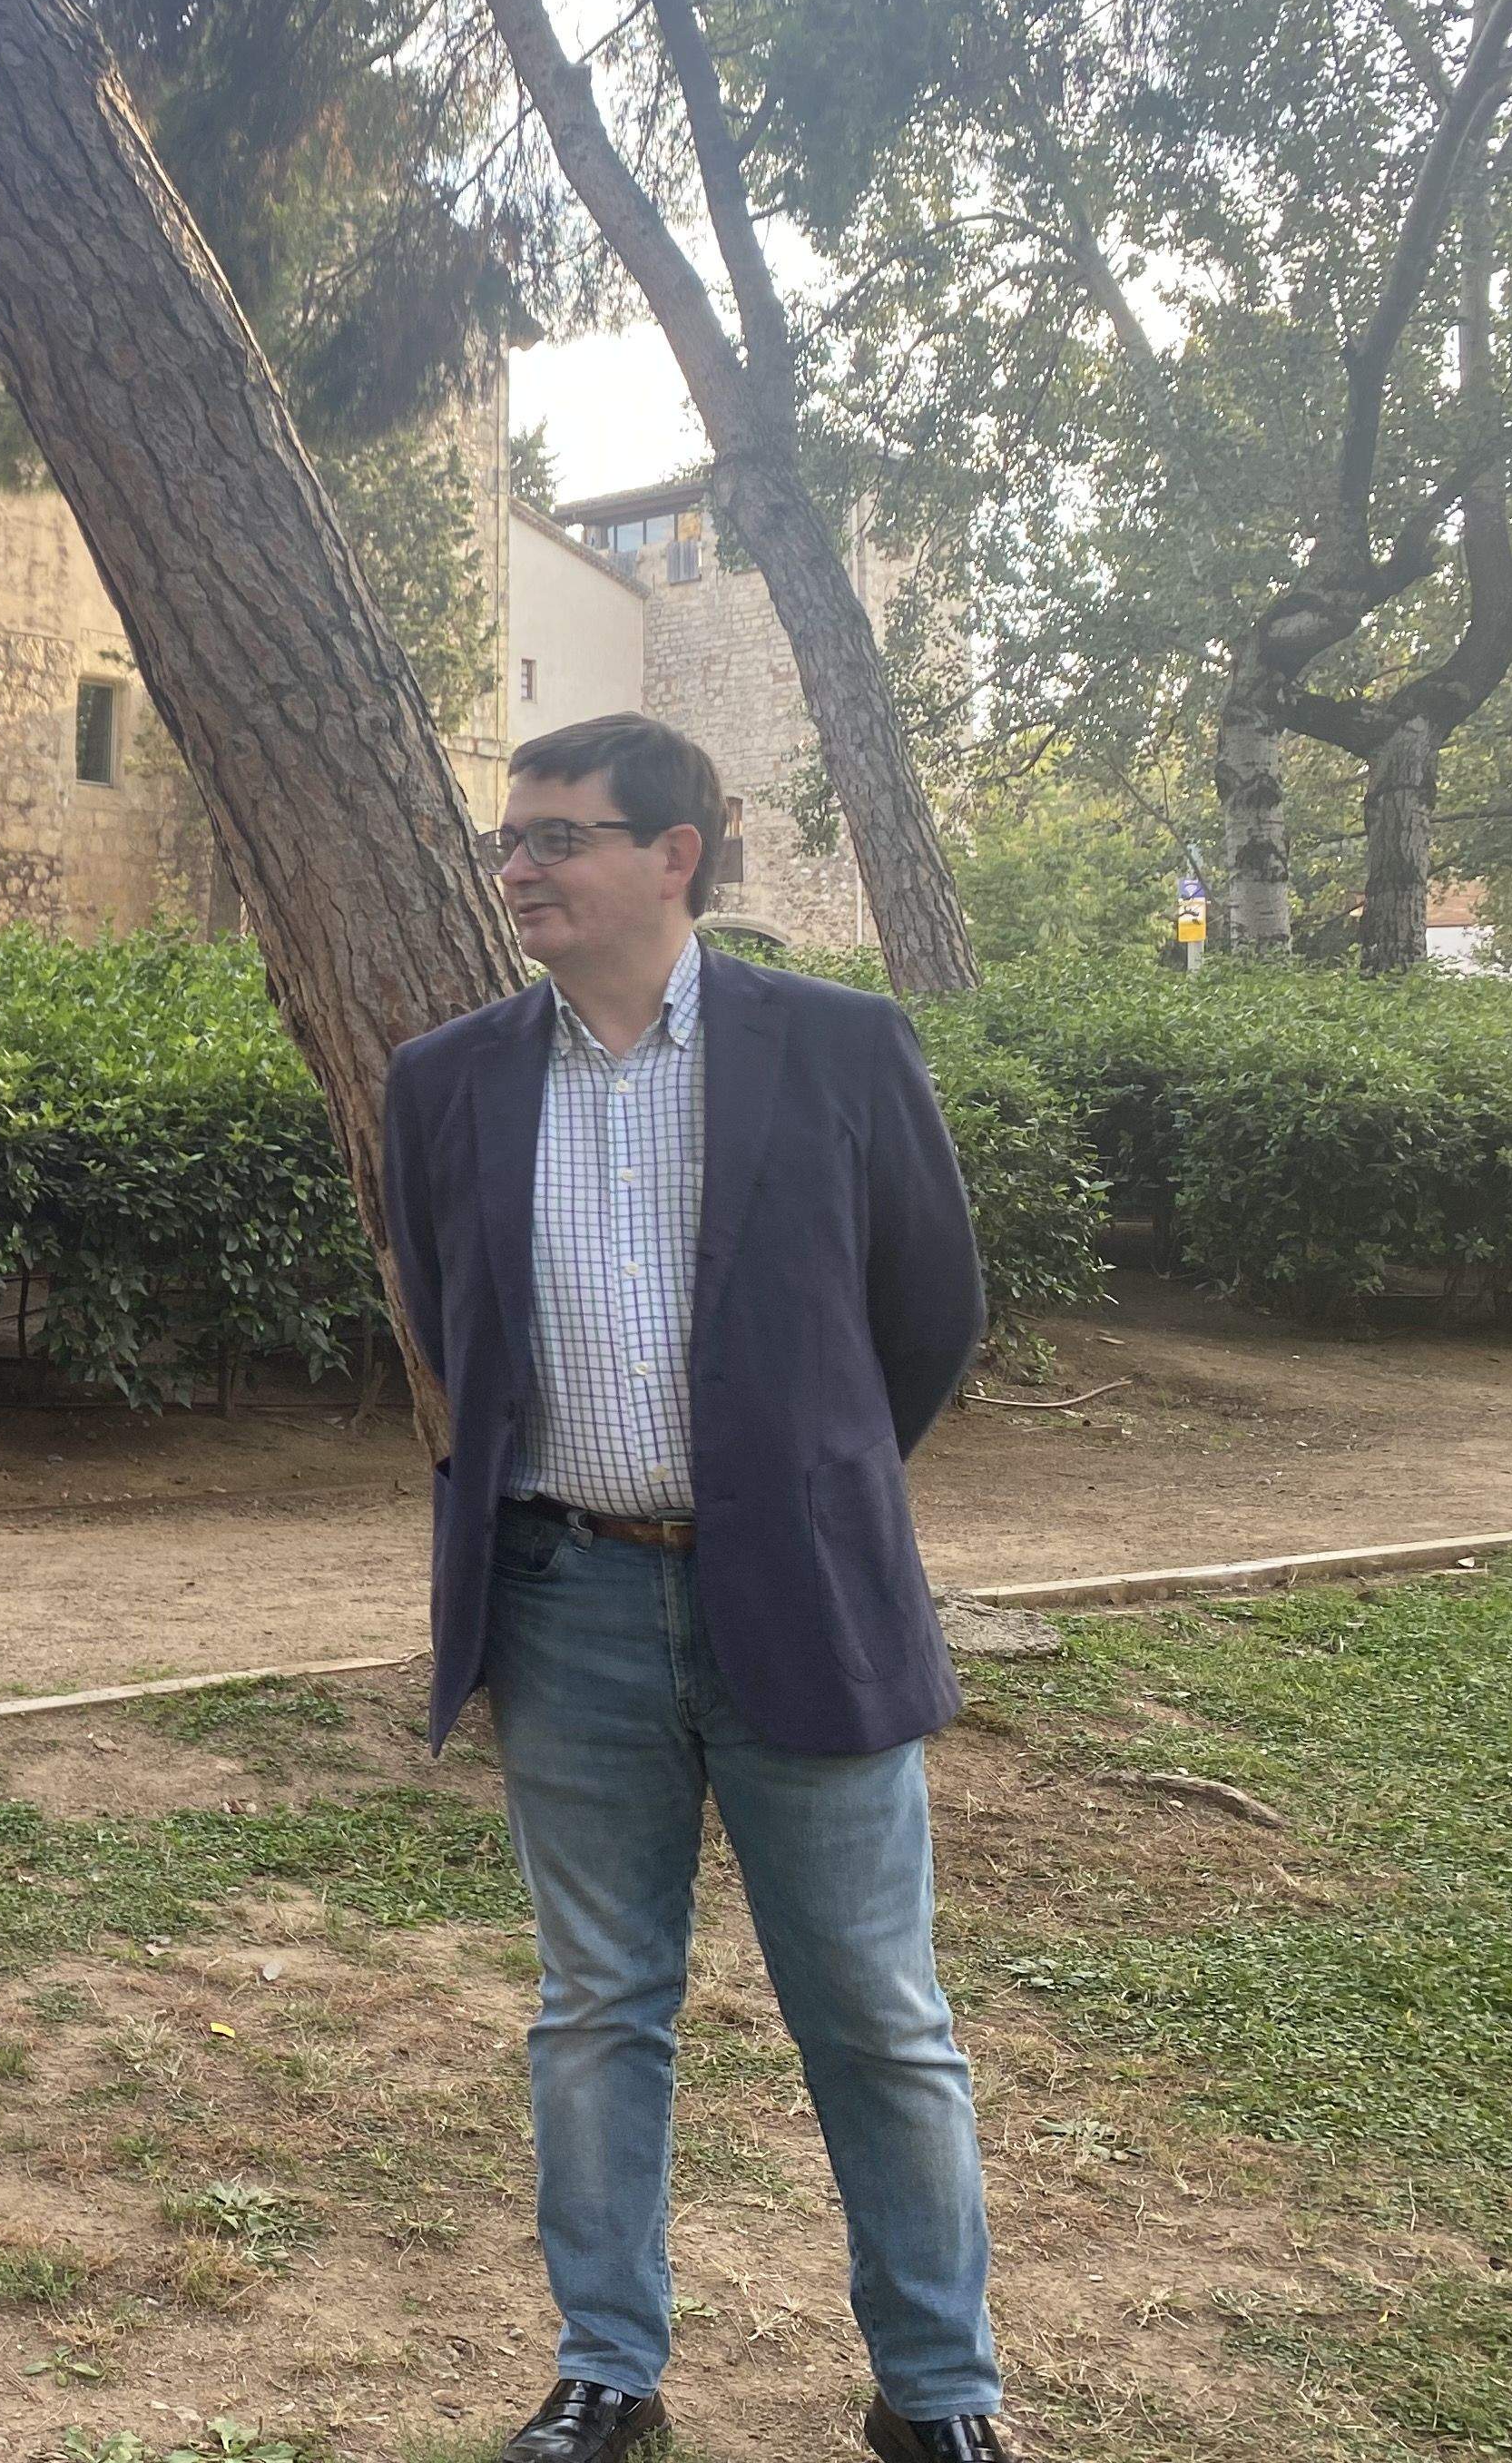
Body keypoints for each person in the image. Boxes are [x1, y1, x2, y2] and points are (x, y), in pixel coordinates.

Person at [379, 713, 1015, 2463]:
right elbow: (450, 1319)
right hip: (562, 1596)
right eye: (511, 836)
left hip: (798, 1595)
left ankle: (937, 2390)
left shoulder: (839, 1047)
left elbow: (927, 1312)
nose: (520, 864)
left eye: (561, 836)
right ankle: (607, 2365)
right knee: (594, 2003)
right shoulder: (443, 1078)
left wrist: (792, 1478)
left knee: (877, 2011)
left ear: (678, 853)